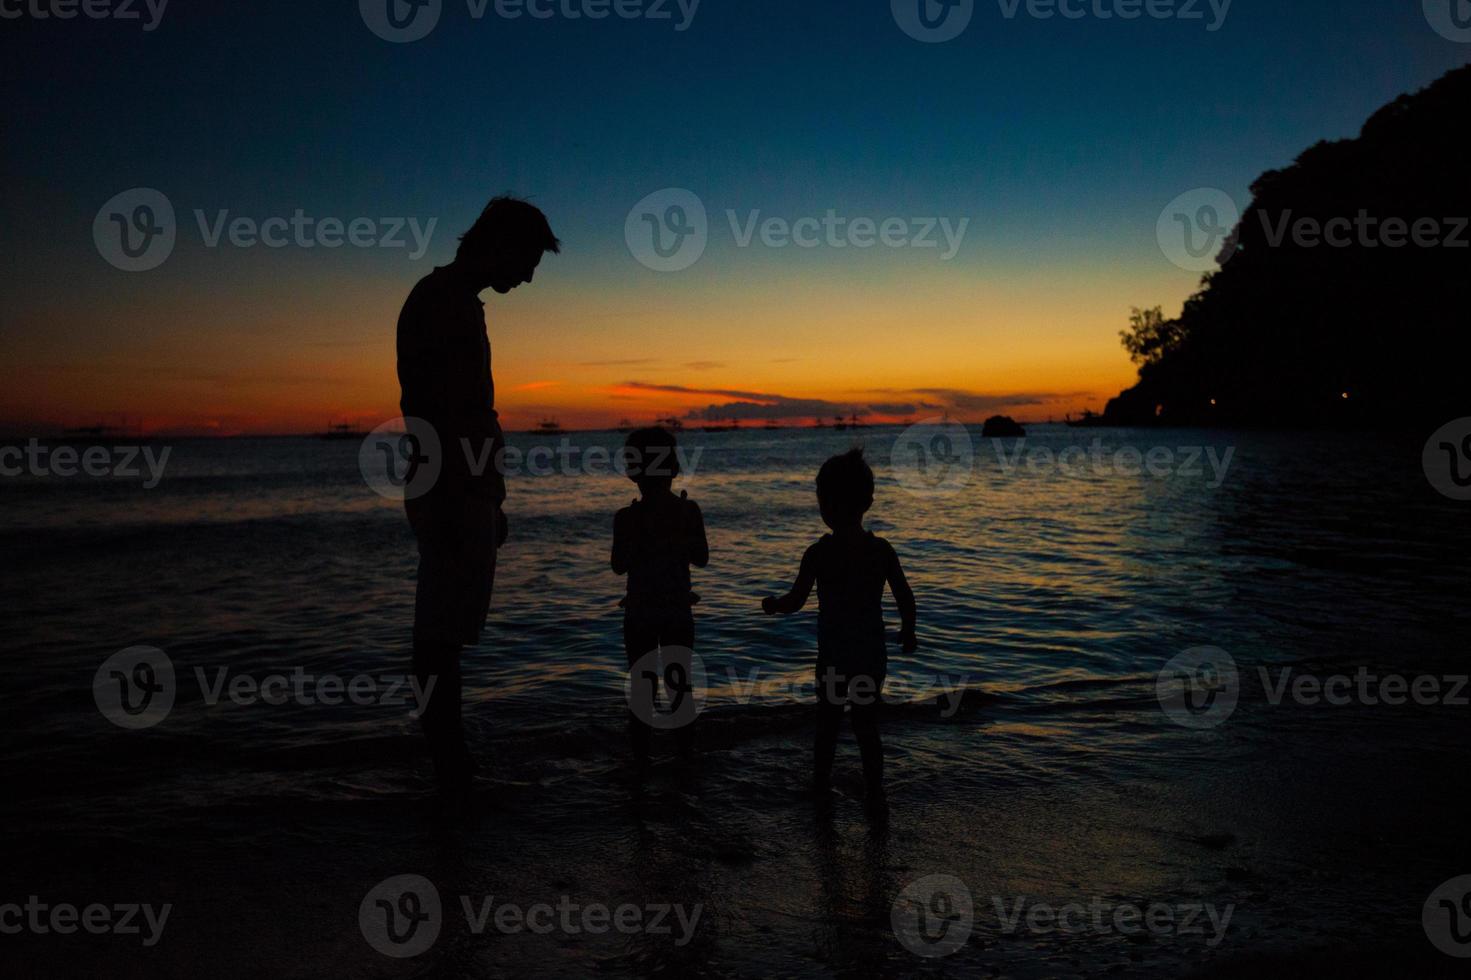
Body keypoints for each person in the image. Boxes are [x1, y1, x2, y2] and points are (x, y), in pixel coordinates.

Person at [396, 195, 560, 789]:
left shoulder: (456, 302)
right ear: (501, 245)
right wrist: (471, 493)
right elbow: (439, 410)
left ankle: (450, 758)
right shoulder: (443, 302)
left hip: (460, 485)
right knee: (440, 632)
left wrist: (492, 497)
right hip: (451, 486)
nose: (529, 275)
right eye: (528, 260)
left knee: (446, 629)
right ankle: (449, 764)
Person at [762, 448, 916, 804]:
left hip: (833, 656)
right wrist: (908, 631)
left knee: (828, 725)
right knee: (866, 726)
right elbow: (905, 597)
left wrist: (773, 606)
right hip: (870, 656)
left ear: (827, 505)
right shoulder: (881, 551)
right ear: (868, 501)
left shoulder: (818, 554)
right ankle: (874, 790)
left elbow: (796, 600)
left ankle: (820, 786)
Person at [611, 426, 709, 759]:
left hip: (639, 614)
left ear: (633, 472)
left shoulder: (626, 517)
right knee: (680, 686)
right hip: (676, 613)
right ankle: (686, 756)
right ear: (673, 468)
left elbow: (618, 566)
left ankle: (640, 760)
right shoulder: (688, 510)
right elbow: (702, 558)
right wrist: (680, 534)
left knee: (641, 688)